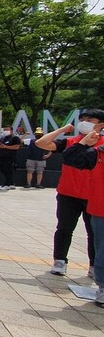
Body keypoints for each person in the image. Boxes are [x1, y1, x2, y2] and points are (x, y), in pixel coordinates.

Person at [36, 109, 104, 277]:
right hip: (68, 193)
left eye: (90, 119)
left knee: (94, 233)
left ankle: (94, 266)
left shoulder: (101, 147)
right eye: (83, 119)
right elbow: (41, 143)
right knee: (64, 228)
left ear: (101, 125)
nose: (85, 122)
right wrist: (61, 130)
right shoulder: (71, 142)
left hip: (93, 196)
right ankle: (60, 261)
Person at [61, 123, 104, 306]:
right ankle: (102, 288)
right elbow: (69, 158)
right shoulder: (99, 153)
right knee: (101, 250)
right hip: (101, 210)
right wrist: (83, 144)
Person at [0, 126, 22, 190]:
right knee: (3, 170)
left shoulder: (15, 138)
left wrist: (6, 147)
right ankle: (12, 183)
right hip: (2, 157)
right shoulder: (3, 138)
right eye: (5, 129)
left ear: (11, 131)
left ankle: (7, 184)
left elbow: (17, 147)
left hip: (10, 158)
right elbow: (0, 146)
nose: (5, 131)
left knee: (8, 171)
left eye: (7, 129)